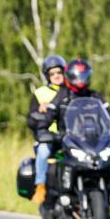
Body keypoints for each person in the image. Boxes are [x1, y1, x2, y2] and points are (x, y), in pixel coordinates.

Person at [39, 58, 110, 201]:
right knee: (52, 160)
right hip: (68, 140)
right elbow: (49, 116)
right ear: (69, 76)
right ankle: (49, 191)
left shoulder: (95, 96)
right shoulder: (62, 96)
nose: (80, 80)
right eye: (76, 76)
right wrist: (43, 128)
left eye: (83, 76)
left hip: (93, 141)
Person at [26, 55, 65, 204]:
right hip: (48, 137)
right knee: (43, 151)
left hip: (68, 136)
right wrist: (41, 114)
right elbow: (30, 120)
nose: (56, 76)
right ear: (47, 76)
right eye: (52, 73)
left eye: (59, 72)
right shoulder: (40, 93)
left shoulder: (71, 91)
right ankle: (40, 186)